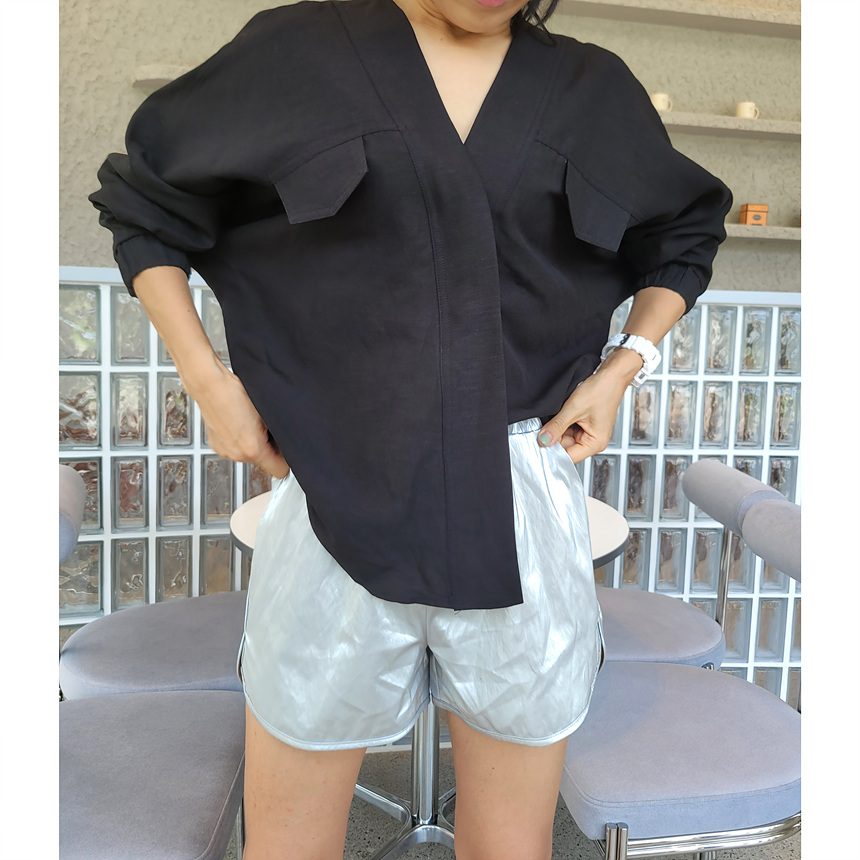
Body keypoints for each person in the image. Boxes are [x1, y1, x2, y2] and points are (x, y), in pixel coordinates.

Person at [90, 0, 733, 857]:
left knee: (511, 843)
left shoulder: (588, 87)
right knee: (289, 841)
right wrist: (210, 383)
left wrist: (626, 364)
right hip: (333, 485)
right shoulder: (300, 50)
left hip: (520, 488)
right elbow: (146, 206)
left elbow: (683, 231)